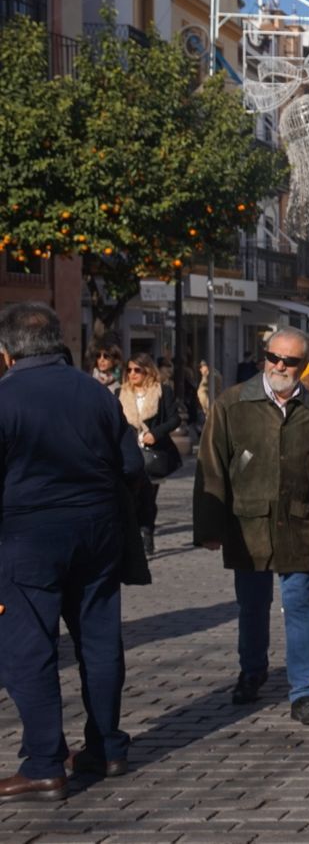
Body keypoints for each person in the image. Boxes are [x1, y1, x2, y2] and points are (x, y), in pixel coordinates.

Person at [0, 303, 142, 801]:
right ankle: (106, 746)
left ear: (7, 350)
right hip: (98, 532)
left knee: (28, 648)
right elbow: (132, 464)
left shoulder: (4, 397)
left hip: (27, 539)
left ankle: (43, 761)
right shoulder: (96, 393)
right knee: (100, 641)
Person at [193, 328, 309, 726]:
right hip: (247, 523)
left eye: (289, 361)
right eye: (273, 358)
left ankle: (304, 692)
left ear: (303, 366)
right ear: (264, 357)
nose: (279, 367)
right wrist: (208, 526)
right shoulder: (232, 404)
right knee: (252, 606)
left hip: (298, 522)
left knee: (300, 605)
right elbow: (211, 468)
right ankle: (251, 672)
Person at [121, 353, 181, 557]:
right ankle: (134, 536)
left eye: (137, 370)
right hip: (129, 454)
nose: (132, 374)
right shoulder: (121, 394)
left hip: (153, 455)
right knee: (130, 498)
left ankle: (146, 534)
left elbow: (174, 420)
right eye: (129, 370)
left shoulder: (162, 392)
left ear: (147, 371)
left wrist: (155, 433)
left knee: (147, 497)